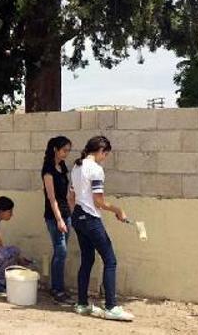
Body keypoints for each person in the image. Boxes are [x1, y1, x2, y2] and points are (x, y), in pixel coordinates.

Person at [68, 135, 134, 321]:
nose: (105, 158)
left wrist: (78, 214)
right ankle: (111, 307)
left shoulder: (76, 167)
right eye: (106, 154)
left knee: (87, 260)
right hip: (90, 219)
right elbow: (98, 201)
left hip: (78, 217)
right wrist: (118, 210)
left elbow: (70, 198)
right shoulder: (96, 169)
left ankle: (81, 304)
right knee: (110, 260)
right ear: (101, 151)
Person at [41, 136, 74, 304]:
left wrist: (70, 212)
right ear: (55, 149)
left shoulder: (62, 166)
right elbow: (51, 198)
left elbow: (66, 193)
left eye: (68, 150)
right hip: (54, 216)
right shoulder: (48, 170)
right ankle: (57, 289)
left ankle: (57, 287)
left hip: (66, 214)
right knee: (61, 251)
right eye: (64, 150)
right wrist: (59, 220)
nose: (66, 154)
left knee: (60, 252)